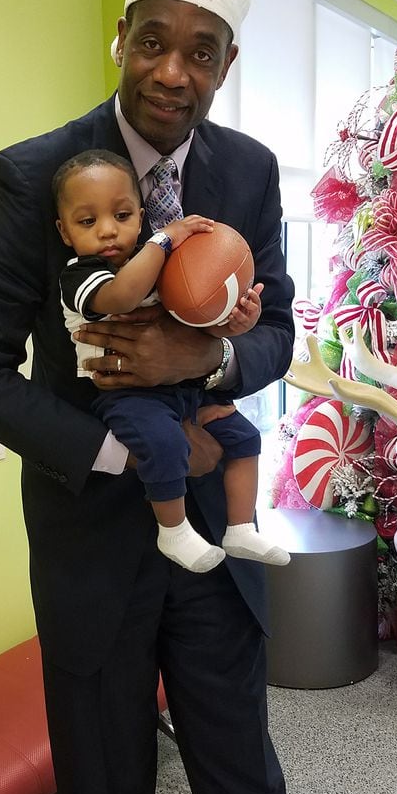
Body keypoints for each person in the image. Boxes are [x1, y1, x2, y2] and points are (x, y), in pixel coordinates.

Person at [0, 0, 314, 794]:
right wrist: (127, 455)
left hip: (210, 540)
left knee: (243, 771)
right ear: (120, 37)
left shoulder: (243, 170)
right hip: (92, 545)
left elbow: (277, 325)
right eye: (153, 42)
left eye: (200, 51)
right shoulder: (35, 175)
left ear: (226, 65)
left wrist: (195, 374)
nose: (172, 71)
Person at [56, 148, 290, 572]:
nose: (108, 231)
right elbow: (123, 295)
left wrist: (234, 323)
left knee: (244, 437)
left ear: (140, 214)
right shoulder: (81, 273)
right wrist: (164, 240)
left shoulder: (149, 265)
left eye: (122, 216)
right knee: (163, 446)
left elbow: (191, 325)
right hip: (126, 395)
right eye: (88, 222)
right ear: (65, 231)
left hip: (182, 389)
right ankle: (174, 531)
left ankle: (240, 529)